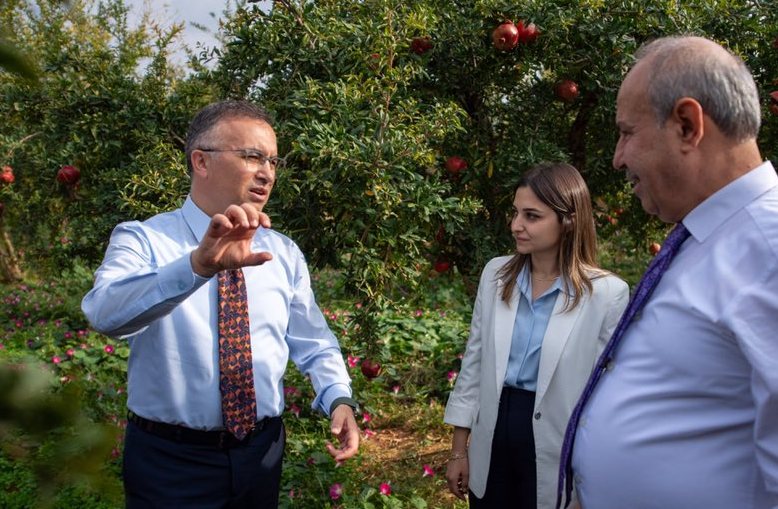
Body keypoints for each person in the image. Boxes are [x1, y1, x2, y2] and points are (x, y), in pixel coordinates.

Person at [81, 100, 360, 508]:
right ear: (201, 161)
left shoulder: (282, 252)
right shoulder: (143, 239)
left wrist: (338, 397)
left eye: (273, 161)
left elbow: (313, 340)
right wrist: (196, 266)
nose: (267, 172)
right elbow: (104, 314)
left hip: (261, 453)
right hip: (170, 462)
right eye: (251, 156)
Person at [564, 36, 778, 509]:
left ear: (687, 125)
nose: (618, 157)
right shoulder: (711, 236)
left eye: (626, 132)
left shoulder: (768, 247)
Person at [443, 162, 629, 508]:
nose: (516, 226)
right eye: (515, 213)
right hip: (493, 435)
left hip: (556, 444)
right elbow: (474, 362)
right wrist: (458, 450)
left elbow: (606, 397)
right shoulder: (496, 274)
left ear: (568, 220)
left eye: (532, 216)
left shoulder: (606, 294)